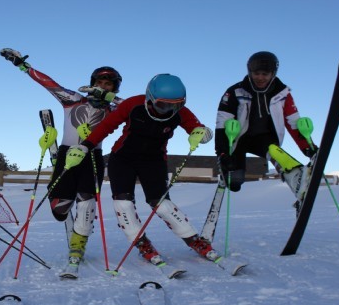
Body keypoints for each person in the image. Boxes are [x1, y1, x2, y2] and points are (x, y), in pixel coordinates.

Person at [65, 74, 215, 266]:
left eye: (176, 105)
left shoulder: (181, 113)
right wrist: (85, 146)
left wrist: (202, 133)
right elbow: (106, 126)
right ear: (150, 98)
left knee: (162, 204)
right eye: (163, 105)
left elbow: (198, 128)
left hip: (154, 161)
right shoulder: (133, 105)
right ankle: (142, 244)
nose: (169, 110)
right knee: (123, 204)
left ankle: (194, 241)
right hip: (123, 159)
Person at [0, 48, 124, 267]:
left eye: (108, 85)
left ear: (114, 88)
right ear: (92, 82)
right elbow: (49, 83)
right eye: (99, 83)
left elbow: (138, 109)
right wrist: (22, 65)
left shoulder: (115, 109)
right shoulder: (73, 99)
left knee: (87, 202)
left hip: (92, 156)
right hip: (67, 153)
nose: (103, 87)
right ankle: (67, 204)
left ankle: (78, 245)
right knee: (59, 209)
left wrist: (110, 98)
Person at [215, 51, 316, 211]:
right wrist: (222, 153)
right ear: (250, 72)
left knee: (274, 150)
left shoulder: (283, 94)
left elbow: (294, 122)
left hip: (265, 138)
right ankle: (232, 173)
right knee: (234, 183)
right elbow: (222, 122)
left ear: (273, 74)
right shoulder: (234, 91)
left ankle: (296, 177)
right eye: (256, 73)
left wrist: (308, 147)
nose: (260, 78)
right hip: (239, 138)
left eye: (265, 74)